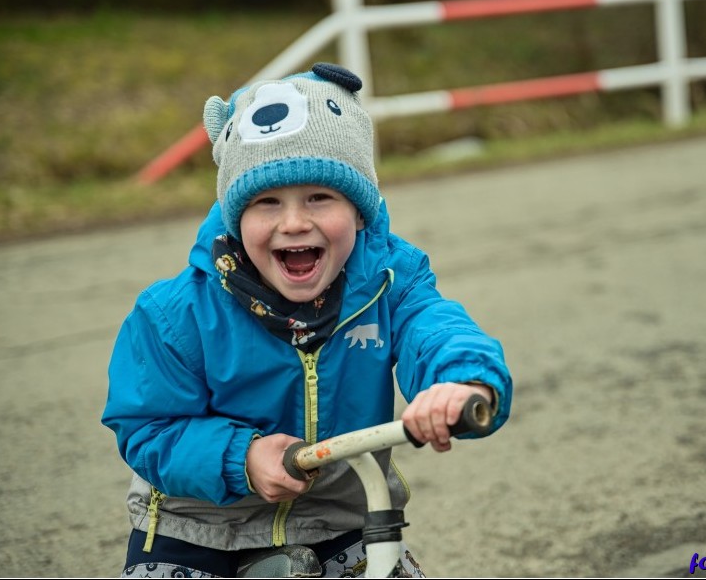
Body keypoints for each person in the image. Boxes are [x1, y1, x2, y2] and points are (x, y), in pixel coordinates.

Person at [102, 62, 513, 578]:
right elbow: (147, 428)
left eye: (320, 196)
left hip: (339, 522)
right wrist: (242, 457)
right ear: (236, 217)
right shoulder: (174, 313)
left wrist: (459, 382)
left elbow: (438, 330)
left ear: (359, 211)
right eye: (266, 202)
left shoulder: (392, 280)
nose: (294, 222)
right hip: (198, 531)